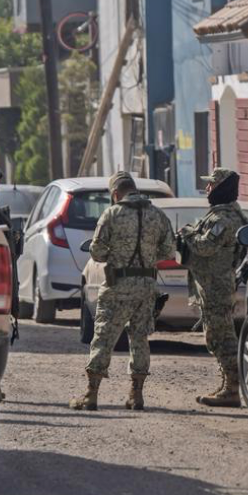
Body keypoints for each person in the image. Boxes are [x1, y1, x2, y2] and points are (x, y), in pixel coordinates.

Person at [70, 171, 175, 412]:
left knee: (104, 337)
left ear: (116, 194)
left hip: (117, 285)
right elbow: (169, 251)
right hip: (147, 286)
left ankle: (91, 394)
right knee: (139, 339)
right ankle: (136, 395)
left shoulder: (112, 214)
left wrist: (114, 255)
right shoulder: (157, 215)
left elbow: (96, 252)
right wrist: (148, 260)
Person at [179, 167, 248, 407]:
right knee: (215, 335)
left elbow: (205, 247)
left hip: (216, 286)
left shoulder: (224, 219)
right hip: (211, 285)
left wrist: (187, 234)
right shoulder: (222, 214)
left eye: (211, 185)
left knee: (222, 337)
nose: (207, 189)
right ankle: (226, 385)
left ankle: (232, 389)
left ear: (221, 188)